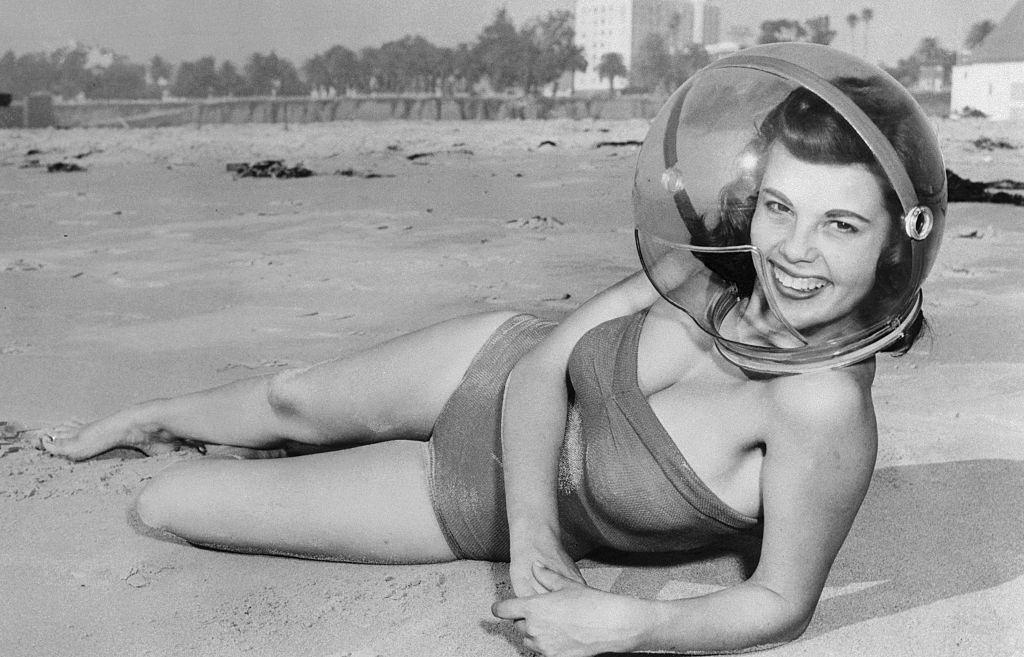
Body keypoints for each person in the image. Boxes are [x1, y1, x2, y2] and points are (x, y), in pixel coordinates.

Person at [41, 43, 946, 656]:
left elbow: (783, 602)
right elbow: (547, 364)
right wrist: (540, 537)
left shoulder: (821, 408)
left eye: (840, 224)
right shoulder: (716, 274)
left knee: (169, 503)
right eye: (781, 208)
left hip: (466, 498)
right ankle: (148, 415)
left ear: (893, 241)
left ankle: (242, 449)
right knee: (290, 399)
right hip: (492, 368)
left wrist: (624, 622)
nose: (793, 251)